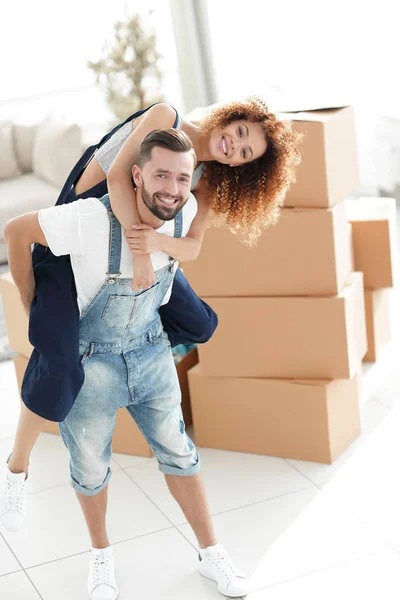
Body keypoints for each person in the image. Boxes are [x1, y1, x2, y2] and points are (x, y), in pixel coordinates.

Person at [1, 98, 300, 539]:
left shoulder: (211, 178)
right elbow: (122, 179)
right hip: (85, 229)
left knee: (200, 324)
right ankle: (16, 470)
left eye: (243, 153)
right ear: (233, 117)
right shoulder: (167, 118)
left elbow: (193, 246)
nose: (232, 147)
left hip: (140, 240)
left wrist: (154, 249)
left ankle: (136, 341)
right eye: (239, 135)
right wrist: (143, 254)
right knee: (59, 359)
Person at [3, 130, 249, 599]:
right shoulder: (90, 220)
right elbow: (17, 231)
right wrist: (30, 296)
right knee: (91, 469)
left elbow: (194, 233)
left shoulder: (186, 215)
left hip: (151, 354)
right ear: (135, 175)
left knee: (180, 453)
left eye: (181, 178)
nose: (172, 190)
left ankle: (211, 554)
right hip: (89, 364)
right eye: (160, 175)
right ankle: (101, 558)